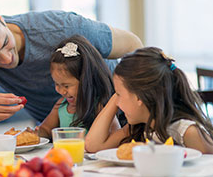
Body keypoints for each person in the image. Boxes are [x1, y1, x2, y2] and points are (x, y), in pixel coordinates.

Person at [0, 2, 143, 137]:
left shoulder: (61, 27)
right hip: (58, 134)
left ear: (0, 18)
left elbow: (134, 45)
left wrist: (124, 103)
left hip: (122, 119)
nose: (6, 59)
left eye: (5, 43)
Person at [85, 47, 213, 154]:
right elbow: (93, 146)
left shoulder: (187, 131)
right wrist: (116, 97)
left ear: (139, 97)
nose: (117, 103)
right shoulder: (141, 127)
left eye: (118, 95)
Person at [38, 35, 120, 138]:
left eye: (66, 86)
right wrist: (37, 133)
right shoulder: (61, 105)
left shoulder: (98, 107)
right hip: (65, 154)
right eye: (57, 84)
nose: (61, 91)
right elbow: (46, 129)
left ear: (86, 81)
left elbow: (115, 134)